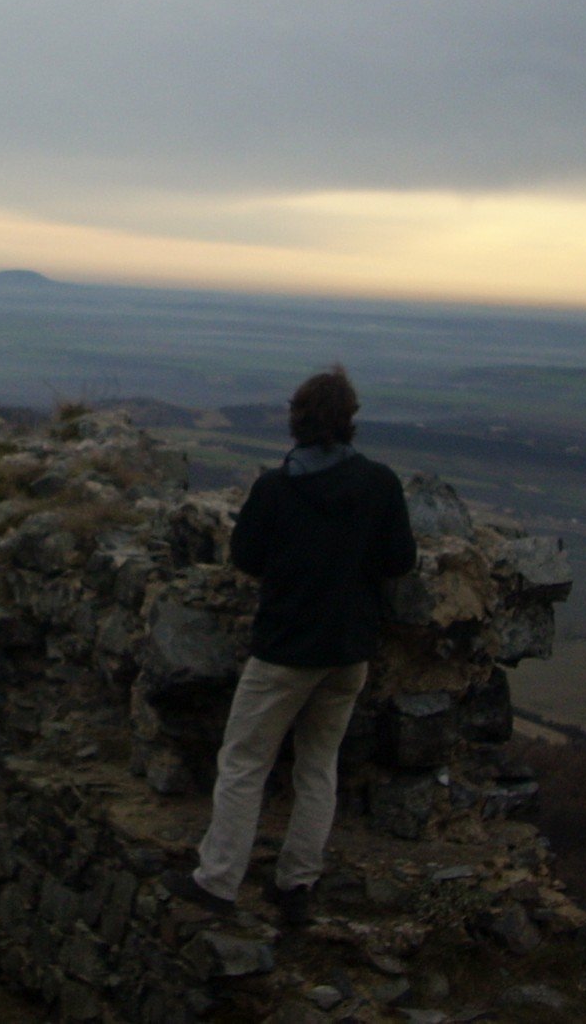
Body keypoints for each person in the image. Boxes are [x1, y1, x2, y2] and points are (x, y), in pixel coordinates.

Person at [163, 365, 417, 927]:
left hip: (285, 649)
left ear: (297, 420)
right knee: (318, 765)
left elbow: (246, 558)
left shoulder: (277, 488)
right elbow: (401, 560)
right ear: (350, 422)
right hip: (350, 648)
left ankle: (218, 881)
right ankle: (296, 884)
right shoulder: (380, 484)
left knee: (244, 762)